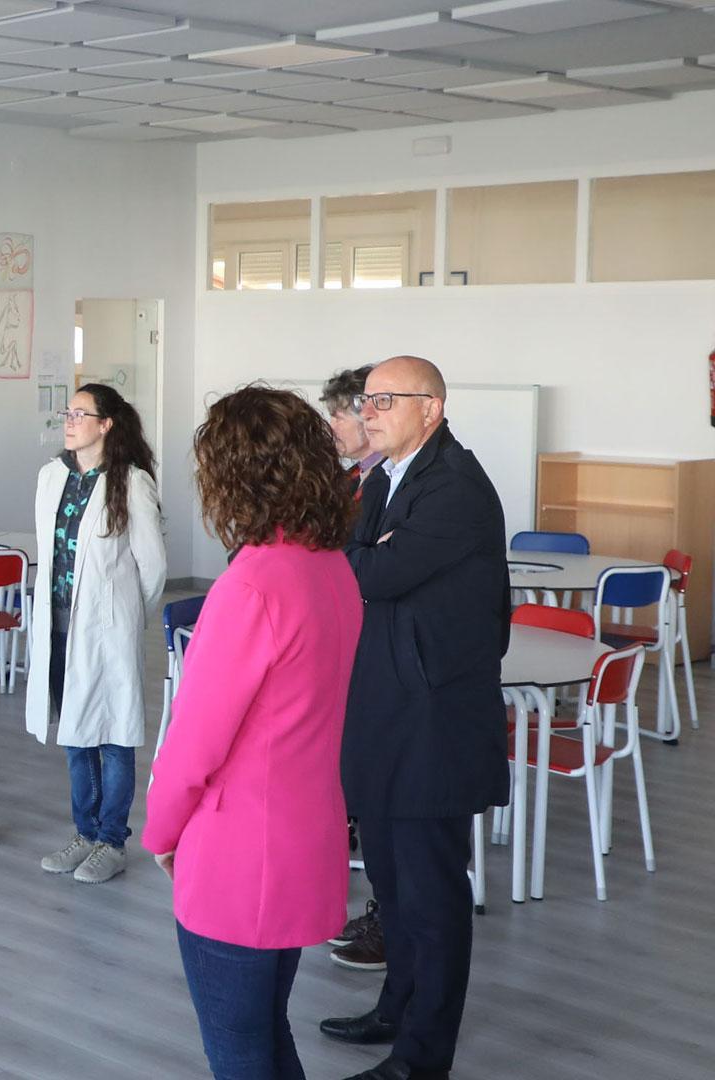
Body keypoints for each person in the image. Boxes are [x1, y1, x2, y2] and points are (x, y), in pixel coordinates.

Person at [144, 386, 364, 1080]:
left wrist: (158, 832)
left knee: (239, 1051)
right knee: (267, 1035)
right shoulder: (331, 569)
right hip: (304, 834)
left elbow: (194, 744)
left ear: (232, 477)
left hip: (239, 852)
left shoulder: (253, 583)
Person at [318, 356, 509, 1080]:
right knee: (392, 885)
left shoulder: (452, 484)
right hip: (385, 707)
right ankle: (394, 1008)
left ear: (431, 407)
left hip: (433, 718)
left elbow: (371, 573)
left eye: (385, 401)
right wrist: (364, 551)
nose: (368, 412)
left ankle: (423, 1059)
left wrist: (365, 555)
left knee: (431, 896)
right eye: (365, 402)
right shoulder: (385, 476)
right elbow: (353, 557)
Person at [25, 383, 166, 884]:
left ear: (106, 424)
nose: (69, 420)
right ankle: (84, 833)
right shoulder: (49, 477)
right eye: (68, 411)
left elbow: (152, 569)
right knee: (75, 731)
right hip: (59, 625)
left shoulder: (131, 481)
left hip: (106, 630)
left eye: (80, 413)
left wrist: (122, 616)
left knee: (114, 734)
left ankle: (111, 839)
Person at [322, 363, 388, 974]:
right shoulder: (349, 480)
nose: (334, 426)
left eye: (339, 414)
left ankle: (387, 915)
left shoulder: (385, 486)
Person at [324, 364, 385, 500]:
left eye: (338, 418)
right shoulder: (354, 476)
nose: (331, 427)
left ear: (366, 418)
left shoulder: (389, 477)